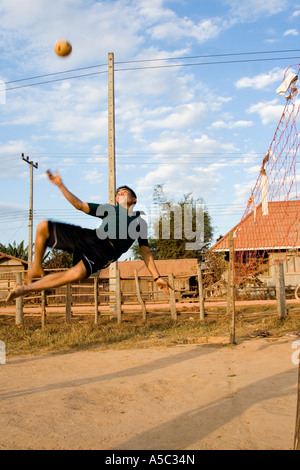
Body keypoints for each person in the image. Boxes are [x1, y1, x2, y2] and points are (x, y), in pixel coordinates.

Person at [6, 170, 172, 302]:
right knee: (43, 226)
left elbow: (146, 253)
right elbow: (79, 205)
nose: (120, 193)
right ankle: (36, 266)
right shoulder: (109, 209)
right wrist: (60, 185)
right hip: (91, 237)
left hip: (105, 252)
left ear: (134, 199)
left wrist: (156, 277)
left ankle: (25, 289)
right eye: (118, 192)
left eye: (124, 191)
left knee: (74, 274)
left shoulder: (139, 222)